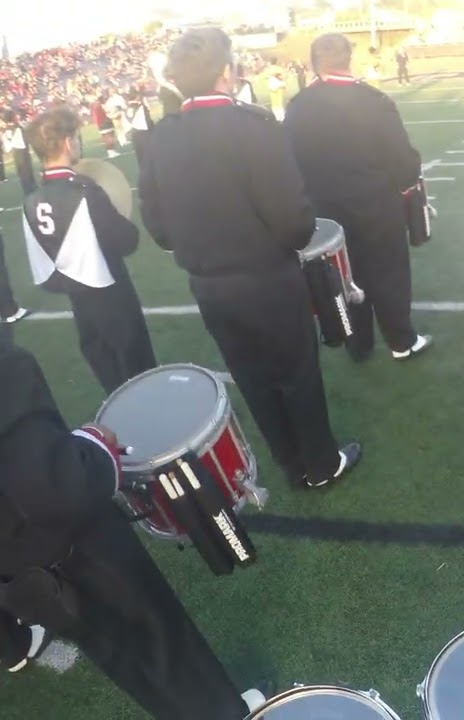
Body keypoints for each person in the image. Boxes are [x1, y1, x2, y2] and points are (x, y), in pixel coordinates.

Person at [139, 27, 361, 489]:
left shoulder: (161, 137)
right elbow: (295, 223)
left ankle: (290, 461)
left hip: (209, 285)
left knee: (253, 377)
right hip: (266, 278)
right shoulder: (254, 127)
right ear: (227, 72)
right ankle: (320, 464)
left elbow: (158, 226)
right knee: (296, 373)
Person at [0, 337, 266, 718]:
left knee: (125, 659)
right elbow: (53, 486)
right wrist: (94, 443)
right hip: (72, 550)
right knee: (160, 640)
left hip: (18, 571)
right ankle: (227, 713)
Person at [283, 33, 431, 363]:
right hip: (377, 206)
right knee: (389, 273)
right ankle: (401, 341)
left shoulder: (298, 106)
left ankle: (358, 344)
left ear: (314, 62)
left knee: (345, 278)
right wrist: (407, 184)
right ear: (348, 57)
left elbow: (288, 162)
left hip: (326, 213)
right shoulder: (373, 100)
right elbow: (403, 161)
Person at [21, 106, 156, 392]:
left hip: (77, 299)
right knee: (137, 366)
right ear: (68, 142)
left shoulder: (32, 198)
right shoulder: (83, 190)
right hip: (110, 292)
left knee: (107, 369)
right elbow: (126, 241)